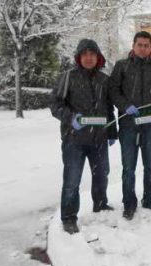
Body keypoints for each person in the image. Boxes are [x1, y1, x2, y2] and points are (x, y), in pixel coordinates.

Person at [50, 39, 118, 234]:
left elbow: (108, 108)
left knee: (101, 174)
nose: (89, 58)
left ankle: (100, 204)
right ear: (79, 57)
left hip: (98, 139)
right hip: (74, 140)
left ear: (98, 57)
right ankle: (69, 217)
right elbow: (55, 104)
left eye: (92, 54)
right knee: (72, 180)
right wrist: (71, 118)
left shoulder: (104, 80)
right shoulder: (68, 77)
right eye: (85, 54)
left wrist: (112, 132)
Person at [109, 31, 151, 220]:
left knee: (150, 166)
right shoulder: (122, 66)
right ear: (133, 46)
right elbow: (113, 90)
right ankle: (129, 204)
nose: (143, 48)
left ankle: (149, 200)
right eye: (140, 45)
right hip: (128, 124)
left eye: (146, 45)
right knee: (128, 167)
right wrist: (124, 106)